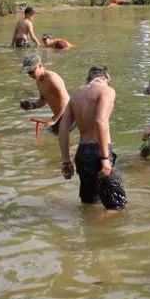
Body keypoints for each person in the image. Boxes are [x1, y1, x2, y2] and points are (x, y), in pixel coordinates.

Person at [57, 66, 127, 211]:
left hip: (82, 154)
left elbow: (63, 127)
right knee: (117, 208)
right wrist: (105, 159)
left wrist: (66, 161)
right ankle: (100, 223)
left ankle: (89, 225)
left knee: (89, 205)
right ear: (106, 78)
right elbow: (101, 121)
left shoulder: (76, 94)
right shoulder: (106, 90)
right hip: (99, 152)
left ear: (88, 79)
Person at [19, 54, 70, 134]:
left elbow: (65, 101)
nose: (30, 75)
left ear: (40, 65)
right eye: (28, 73)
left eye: (32, 72)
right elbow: (43, 100)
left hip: (68, 116)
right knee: (51, 136)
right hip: (59, 116)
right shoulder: (39, 81)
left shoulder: (52, 78)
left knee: (53, 137)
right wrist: (32, 105)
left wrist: (54, 119)